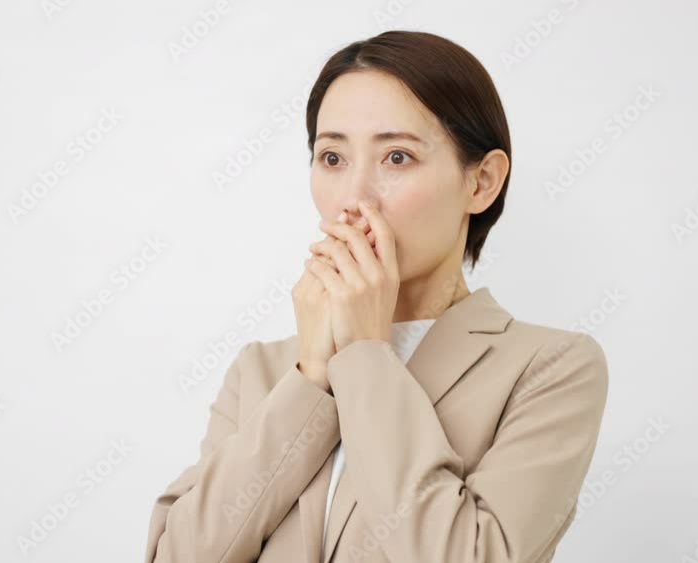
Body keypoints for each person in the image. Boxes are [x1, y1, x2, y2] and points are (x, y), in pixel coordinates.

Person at [144, 29, 609, 563]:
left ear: (482, 181)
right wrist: (313, 376)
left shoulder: (549, 368)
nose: (354, 197)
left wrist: (365, 354)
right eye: (332, 158)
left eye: (397, 157)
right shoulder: (262, 371)